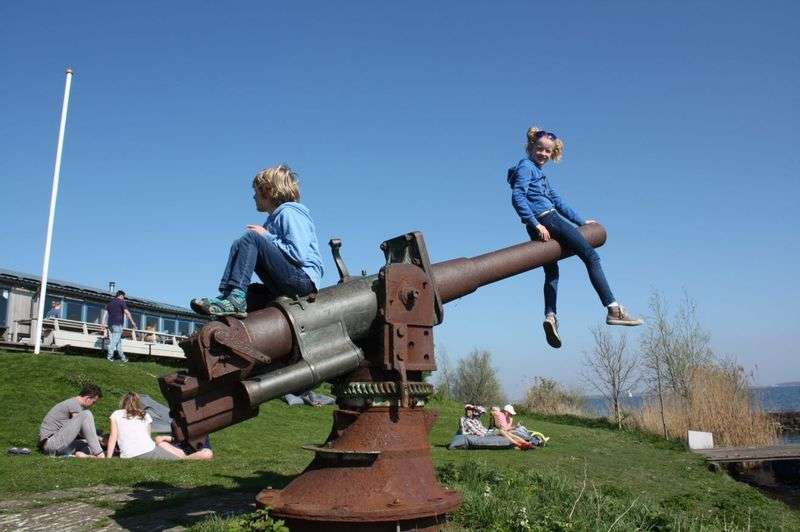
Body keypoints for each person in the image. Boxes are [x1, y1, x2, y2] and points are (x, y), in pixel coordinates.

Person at [507, 126, 643, 349]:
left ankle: (550, 316)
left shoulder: (538, 173)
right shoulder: (526, 168)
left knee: (552, 273)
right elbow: (518, 197)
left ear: (553, 154)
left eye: (547, 151)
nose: (543, 153)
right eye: (539, 149)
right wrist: (536, 223)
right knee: (591, 257)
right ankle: (613, 309)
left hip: (542, 223)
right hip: (547, 220)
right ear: (531, 147)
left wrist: (581, 221)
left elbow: (558, 200)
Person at [191, 164, 324, 318]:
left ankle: (236, 299)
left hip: (303, 281)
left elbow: (297, 254)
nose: (254, 197)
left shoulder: (290, 213)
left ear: (268, 191)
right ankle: (230, 295)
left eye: (256, 192)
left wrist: (265, 236)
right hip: (288, 280)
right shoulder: (272, 220)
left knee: (251, 237)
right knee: (240, 244)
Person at [106, 392, 180, 459]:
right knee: (178, 460)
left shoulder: (116, 414)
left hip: (127, 455)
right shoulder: (144, 414)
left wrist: (108, 457)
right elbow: (148, 435)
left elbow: (113, 436)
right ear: (138, 402)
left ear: (123, 402)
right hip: (148, 449)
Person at [38, 384, 105, 458]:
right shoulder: (74, 404)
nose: (93, 405)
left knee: (88, 443)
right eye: (93, 402)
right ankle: (99, 454)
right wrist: (100, 439)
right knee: (87, 414)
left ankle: (83, 455)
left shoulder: (73, 404)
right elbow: (82, 432)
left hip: (54, 445)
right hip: (51, 443)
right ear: (87, 398)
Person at [99, 290, 138, 362]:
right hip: (117, 324)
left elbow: (104, 315)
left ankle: (123, 358)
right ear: (121, 296)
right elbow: (127, 312)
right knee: (114, 341)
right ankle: (109, 357)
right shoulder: (121, 302)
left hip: (110, 325)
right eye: (124, 297)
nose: (124, 298)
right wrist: (132, 322)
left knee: (118, 342)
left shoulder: (110, 303)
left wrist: (102, 324)